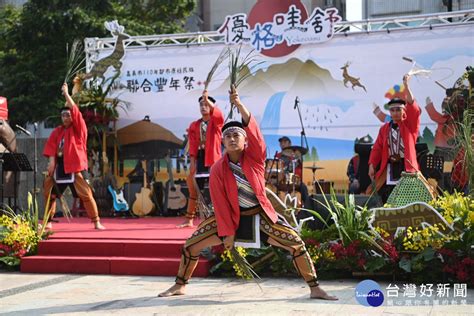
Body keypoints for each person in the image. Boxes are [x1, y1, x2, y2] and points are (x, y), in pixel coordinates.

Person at [158, 86, 337, 300]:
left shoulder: (255, 158)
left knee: (296, 244)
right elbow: (220, 203)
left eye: (237, 135)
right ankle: (180, 284)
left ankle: (315, 287)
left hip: (259, 215)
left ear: (245, 141)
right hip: (229, 217)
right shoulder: (217, 169)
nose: (232, 139)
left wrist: (240, 105)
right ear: (222, 141)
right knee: (190, 246)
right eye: (228, 136)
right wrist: (228, 233)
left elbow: (256, 135)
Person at [43, 83, 105, 230]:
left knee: (86, 194)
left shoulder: (79, 129)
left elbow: (76, 111)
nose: (65, 118)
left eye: (68, 115)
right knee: (49, 194)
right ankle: (48, 222)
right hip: (60, 167)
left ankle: (96, 221)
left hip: (75, 167)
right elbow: (51, 146)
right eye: (63, 115)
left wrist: (66, 94)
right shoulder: (57, 131)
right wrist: (51, 161)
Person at [367, 74, 420, 203]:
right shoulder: (384, 129)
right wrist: (372, 165)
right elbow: (377, 148)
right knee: (384, 195)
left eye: (398, 110)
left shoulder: (409, 125)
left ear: (403, 111)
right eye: (392, 110)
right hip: (390, 167)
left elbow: (414, 109)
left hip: (406, 167)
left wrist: (406, 87)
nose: (395, 113)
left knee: (408, 198)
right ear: (390, 112)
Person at [177, 90, 224, 228]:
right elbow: (192, 145)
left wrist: (209, 101)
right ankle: (189, 219)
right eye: (201, 105)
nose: (203, 107)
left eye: (206, 104)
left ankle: (218, 219)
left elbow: (219, 115)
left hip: (213, 158)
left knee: (216, 190)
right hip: (199, 158)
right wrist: (192, 162)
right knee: (194, 189)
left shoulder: (216, 122)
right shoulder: (194, 125)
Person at [276, 136, 309, 207]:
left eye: (285, 142)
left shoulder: (295, 156)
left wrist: (297, 159)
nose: (282, 144)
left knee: (303, 187)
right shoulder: (278, 156)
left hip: (294, 180)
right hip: (282, 180)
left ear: (289, 144)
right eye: (281, 142)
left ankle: (307, 208)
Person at [425, 96, 456, 161]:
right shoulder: (447, 117)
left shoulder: (449, 118)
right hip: (443, 148)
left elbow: (434, 116)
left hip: (446, 149)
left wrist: (429, 105)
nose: (445, 101)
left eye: (447, 100)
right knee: (441, 168)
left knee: (444, 168)